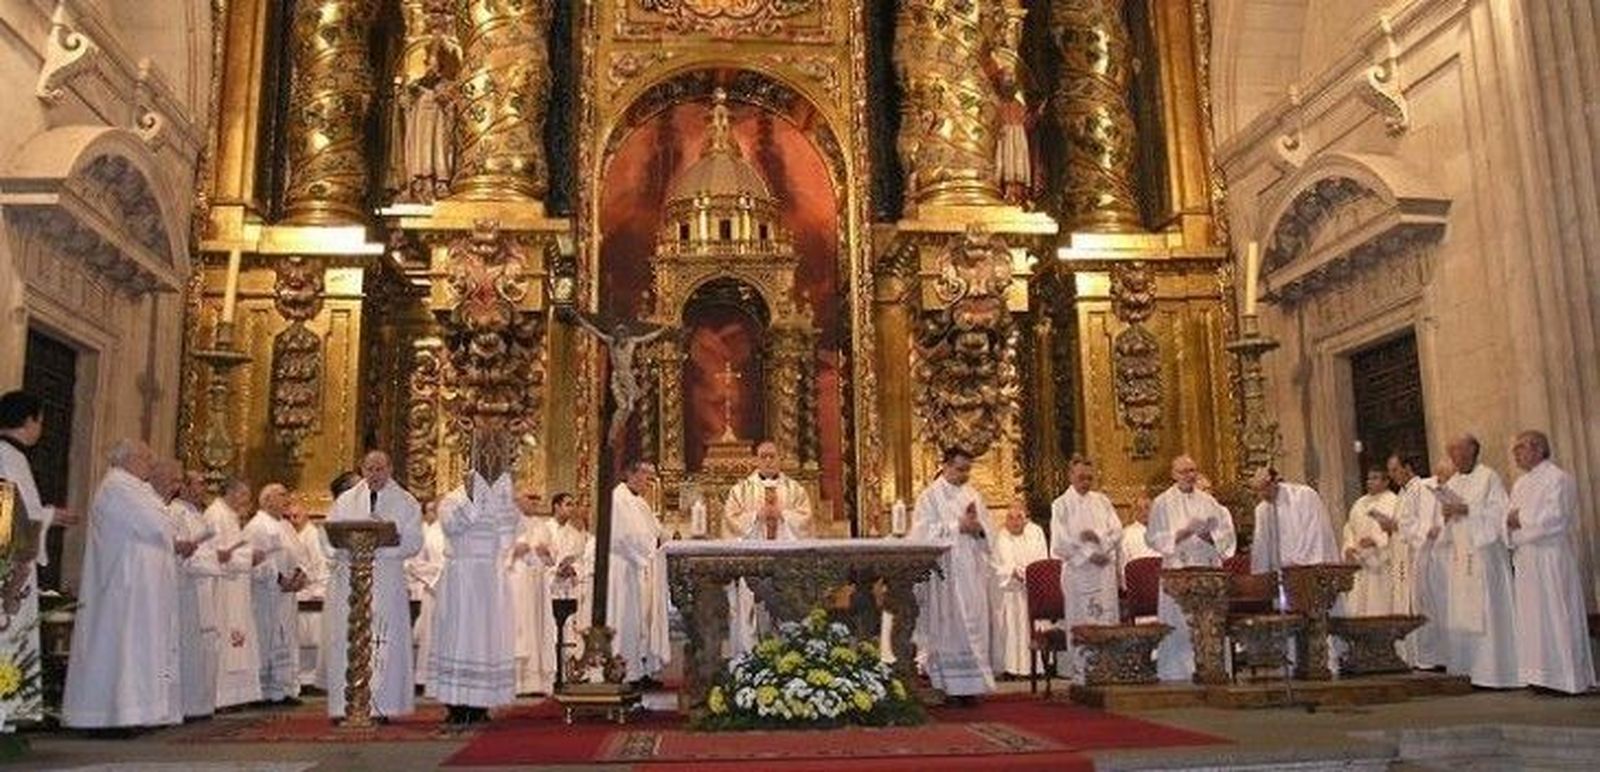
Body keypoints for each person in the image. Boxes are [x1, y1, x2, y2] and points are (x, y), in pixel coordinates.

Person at [62, 439, 182, 730]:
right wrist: (166, 521)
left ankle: (137, 713)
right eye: (146, 458)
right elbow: (157, 525)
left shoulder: (133, 488)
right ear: (127, 459)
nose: (151, 464)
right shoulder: (118, 486)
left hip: (140, 589)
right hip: (124, 587)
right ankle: (113, 715)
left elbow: (163, 523)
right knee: (122, 649)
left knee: (137, 650)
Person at [0, 391, 80, 723]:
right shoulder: (6, 456)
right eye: (40, 422)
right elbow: (5, 513)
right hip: (10, 564)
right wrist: (13, 571)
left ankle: (8, 714)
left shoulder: (12, 456)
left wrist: (47, 515)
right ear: (29, 419)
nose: (41, 429)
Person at [325, 450, 422, 720]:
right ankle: (347, 705)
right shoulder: (346, 500)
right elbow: (329, 538)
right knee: (349, 637)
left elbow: (414, 542)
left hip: (387, 578)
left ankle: (384, 705)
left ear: (390, 469)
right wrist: (352, 549)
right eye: (370, 469)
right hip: (352, 576)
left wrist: (382, 542)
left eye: (380, 469)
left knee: (384, 638)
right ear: (362, 469)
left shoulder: (406, 502)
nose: (375, 474)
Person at [428, 446, 520, 726]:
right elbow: (452, 526)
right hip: (461, 578)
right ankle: (455, 703)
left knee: (485, 639)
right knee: (458, 637)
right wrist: (471, 498)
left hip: (490, 580)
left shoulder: (497, 500)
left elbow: (510, 530)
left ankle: (481, 702)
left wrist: (505, 501)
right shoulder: (451, 501)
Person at [1505, 430, 1595, 694]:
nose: (1516, 454)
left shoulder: (1559, 479)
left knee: (1558, 614)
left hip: (1550, 556)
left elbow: (1555, 517)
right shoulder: (1520, 484)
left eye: (1520, 448)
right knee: (1533, 619)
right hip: (1527, 558)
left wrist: (1520, 520)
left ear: (1538, 448)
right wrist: (1514, 522)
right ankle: (1540, 676)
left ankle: (1565, 678)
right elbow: (1508, 518)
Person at [911, 447, 995, 704]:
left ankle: (972, 686)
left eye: (967, 469)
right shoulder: (930, 497)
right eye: (959, 469)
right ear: (945, 466)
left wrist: (978, 529)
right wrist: (956, 526)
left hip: (970, 570)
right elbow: (921, 533)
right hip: (945, 574)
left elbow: (988, 532)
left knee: (974, 624)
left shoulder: (973, 495)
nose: (964, 475)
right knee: (949, 629)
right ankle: (950, 687)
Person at [1438, 435, 1519, 688]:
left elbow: (1500, 514)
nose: (1455, 458)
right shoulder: (1452, 482)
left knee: (1487, 611)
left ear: (1472, 450)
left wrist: (1467, 510)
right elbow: (1447, 524)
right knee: (1462, 610)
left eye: (1458, 452)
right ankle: (1468, 669)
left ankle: (1494, 672)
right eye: (1451, 454)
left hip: (1484, 556)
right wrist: (1448, 515)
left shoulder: (1488, 477)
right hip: (1462, 555)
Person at [1146, 454, 1236, 682]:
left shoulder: (1208, 502)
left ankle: (1211, 667)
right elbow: (1153, 537)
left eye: (1193, 470)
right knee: (1179, 622)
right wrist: (1178, 535)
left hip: (1205, 567)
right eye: (1184, 471)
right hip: (1179, 569)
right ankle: (1177, 670)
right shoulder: (1162, 502)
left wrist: (1211, 536)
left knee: (1208, 621)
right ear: (1174, 475)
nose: (1190, 475)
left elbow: (1225, 534)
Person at [722, 440, 813, 655]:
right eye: (764, 456)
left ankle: (790, 654)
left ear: (780, 458)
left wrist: (783, 515)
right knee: (750, 611)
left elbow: (806, 519)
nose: (769, 460)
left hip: (787, 564)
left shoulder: (795, 489)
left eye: (773, 456)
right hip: (752, 566)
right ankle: (750, 655)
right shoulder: (741, 490)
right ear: (756, 460)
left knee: (788, 605)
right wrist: (756, 516)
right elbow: (730, 520)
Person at [1050, 456, 1122, 681]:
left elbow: (1117, 531)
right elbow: (1061, 542)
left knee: (1105, 618)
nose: (1086, 482)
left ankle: (1106, 668)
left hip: (1103, 573)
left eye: (1090, 478)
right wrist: (1092, 554)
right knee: (1081, 619)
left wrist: (1100, 545)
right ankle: (1082, 671)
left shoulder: (1102, 501)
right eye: (1081, 477)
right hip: (1078, 572)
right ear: (1071, 476)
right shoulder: (1061, 504)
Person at [607, 460, 670, 686]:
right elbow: (621, 537)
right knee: (626, 620)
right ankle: (624, 672)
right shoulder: (618, 499)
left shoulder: (639, 502)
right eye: (646, 475)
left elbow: (655, 530)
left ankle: (640, 670)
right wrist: (644, 559)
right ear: (631, 473)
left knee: (640, 621)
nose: (649, 481)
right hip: (625, 567)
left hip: (639, 567)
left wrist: (668, 541)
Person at [166, 466, 222, 720]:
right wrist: (195, 553)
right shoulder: (175, 512)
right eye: (199, 483)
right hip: (188, 588)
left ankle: (201, 703)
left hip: (205, 585)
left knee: (206, 645)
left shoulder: (197, 513)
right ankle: (188, 704)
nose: (204, 489)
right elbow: (175, 549)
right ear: (185, 487)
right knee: (191, 645)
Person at [243, 483, 306, 703]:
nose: (287, 498)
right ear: (266, 499)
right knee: (267, 637)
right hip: (266, 595)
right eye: (281, 495)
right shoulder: (256, 526)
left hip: (287, 595)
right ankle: (265, 691)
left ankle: (285, 688)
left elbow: (300, 554)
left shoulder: (286, 526)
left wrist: (300, 576)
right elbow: (253, 561)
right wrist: (279, 579)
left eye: (287, 494)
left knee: (287, 638)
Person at [206, 478, 263, 708]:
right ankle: (222, 696)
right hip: (224, 588)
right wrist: (249, 557)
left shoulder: (229, 515)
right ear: (230, 491)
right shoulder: (215, 515)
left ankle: (237, 695)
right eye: (243, 495)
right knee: (227, 638)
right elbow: (218, 554)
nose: (246, 501)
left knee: (238, 640)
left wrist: (249, 555)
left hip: (237, 587)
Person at [508, 488, 558, 696]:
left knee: (537, 627)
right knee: (518, 627)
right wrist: (513, 551)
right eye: (529, 498)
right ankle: (516, 682)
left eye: (536, 500)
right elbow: (496, 550)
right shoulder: (507, 523)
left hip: (537, 583)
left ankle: (536, 682)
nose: (534, 503)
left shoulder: (542, 526)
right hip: (515, 580)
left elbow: (552, 554)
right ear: (517, 500)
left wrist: (546, 553)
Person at [990, 497, 1047, 678]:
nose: (1014, 522)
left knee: (1030, 627)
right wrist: (1012, 572)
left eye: (1018, 517)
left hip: (1032, 590)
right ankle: (1011, 668)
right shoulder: (1001, 537)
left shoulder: (1035, 532)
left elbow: (1041, 558)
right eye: (1010, 518)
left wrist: (1029, 574)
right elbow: (996, 564)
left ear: (1025, 519)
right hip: (1009, 592)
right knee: (1011, 629)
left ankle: (1034, 667)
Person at [1249, 467, 1340, 573]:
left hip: (1308, 569)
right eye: (1257, 491)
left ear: (1275, 482)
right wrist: (1261, 575)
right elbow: (1261, 547)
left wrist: (1297, 564)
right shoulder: (1262, 510)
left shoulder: (1304, 496)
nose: (1262, 495)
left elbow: (1316, 534)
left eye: (1264, 488)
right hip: (1279, 573)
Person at [1384, 453, 1426, 665]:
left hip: (1415, 557)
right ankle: (1409, 655)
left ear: (1407, 467)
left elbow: (1424, 525)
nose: (1392, 476)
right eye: (1390, 471)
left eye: (1395, 470)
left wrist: (1397, 527)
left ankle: (1422, 656)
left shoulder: (1422, 488)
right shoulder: (1402, 493)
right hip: (1401, 556)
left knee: (1415, 604)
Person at [1344, 467, 1400, 615]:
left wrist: (1376, 540)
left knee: (1380, 606)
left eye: (1375, 478)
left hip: (1381, 565)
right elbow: (1349, 528)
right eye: (1369, 479)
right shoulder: (1359, 503)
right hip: (1362, 563)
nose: (1370, 482)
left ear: (1386, 481)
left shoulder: (1393, 501)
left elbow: (1397, 529)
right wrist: (1349, 546)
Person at [287, 500, 328, 690]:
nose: (293, 520)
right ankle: (301, 676)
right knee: (300, 638)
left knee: (313, 638)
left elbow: (319, 565)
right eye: (291, 516)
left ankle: (312, 677)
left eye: (297, 516)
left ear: (306, 514)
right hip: (298, 591)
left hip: (313, 592)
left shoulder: (313, 535)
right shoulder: (290, 534)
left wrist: (314, 586)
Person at [548, 493, 594, 658]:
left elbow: (581, 561)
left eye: (573, 504)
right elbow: (538, 562)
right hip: (550, 587)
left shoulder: (574, 534)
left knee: (568, 629)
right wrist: (556, 571)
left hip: (568, 587)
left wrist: (573, 569)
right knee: (549, 628)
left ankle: (566, 667)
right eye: (568, 504)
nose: (572, 508)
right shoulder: (545, 530)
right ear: (556, 506)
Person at [407, 500, 447, 687]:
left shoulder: (462, 532)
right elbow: (414, 563)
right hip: (435, 592)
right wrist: (440, 576)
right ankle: (430, 679)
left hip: (462, 593)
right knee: (433, 634)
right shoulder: (429, 533)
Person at [1118, 489, 1159, 587]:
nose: (1143, 512)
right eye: (1139, 509)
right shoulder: (1126, 534)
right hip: (1137, 588)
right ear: (1134, 511)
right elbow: (1122, 565)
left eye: (1147, 507)